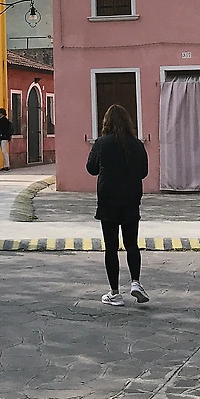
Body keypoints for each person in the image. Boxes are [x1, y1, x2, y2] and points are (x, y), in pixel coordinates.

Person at [86, 104, 149, 306]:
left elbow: (91, 168)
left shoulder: (101, 143)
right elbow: (144, 172)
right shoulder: (137, 144)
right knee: (132, 244)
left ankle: (114, 293)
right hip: (131, 199)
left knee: (111, 247)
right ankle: (136, 282)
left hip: (108, 200)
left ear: (107, 122)